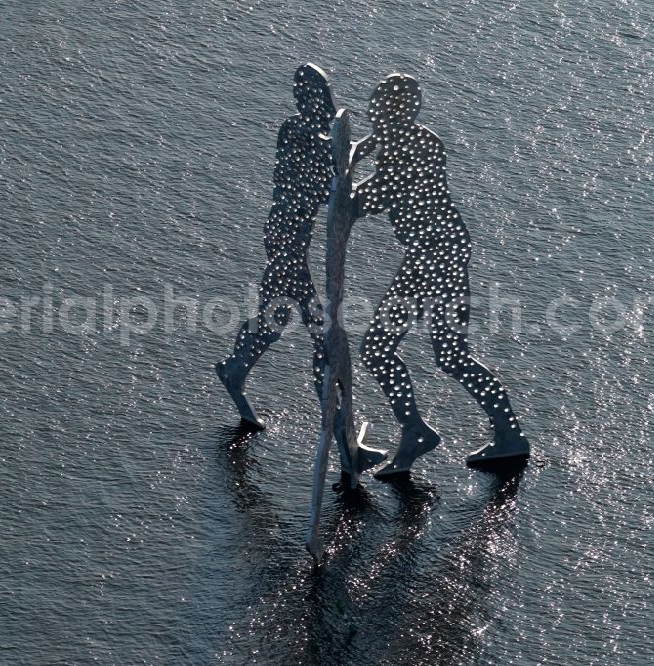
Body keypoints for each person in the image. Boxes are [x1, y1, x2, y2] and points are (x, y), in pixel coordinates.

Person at [351, 74, 530, 476]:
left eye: (378, 110)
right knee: (417, 352)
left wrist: (346, 164)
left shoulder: (413, 144)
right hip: (431, 255)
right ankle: (485, 433)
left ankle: (431, 431)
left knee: (421, 352)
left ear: (396, 112)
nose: (373, 117)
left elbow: (370, 198)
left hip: (439, 256)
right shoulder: (407, 141)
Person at [217, 64, 335, 428]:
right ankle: (335, 419)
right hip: (286, 236)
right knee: (321, 332)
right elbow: (332, 173)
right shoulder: (299, 129)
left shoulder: (310, 131)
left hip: (290, 235)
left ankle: (235, 369)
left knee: (277, 318)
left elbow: (329, 178)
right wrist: (370, 142)